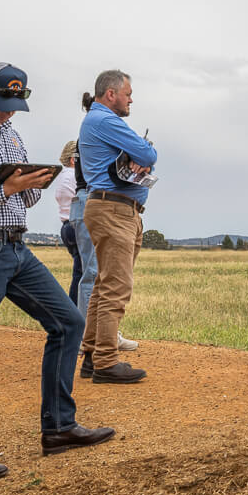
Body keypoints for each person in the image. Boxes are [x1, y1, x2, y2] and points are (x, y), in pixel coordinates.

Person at [0, 63, 114, 482]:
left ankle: (60, 427)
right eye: (3, 102)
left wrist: (33, 184)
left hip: (14, 246)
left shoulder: (11, 134)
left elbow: (24, 200)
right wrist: (6, 189)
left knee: (68, 322)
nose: (9, 112)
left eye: (16, 104)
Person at [78, 71, 157, 384]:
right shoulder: (105, 120)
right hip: (114, 210)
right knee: (115, 287)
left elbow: (144, 154)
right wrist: (143, 155)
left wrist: (142, 155)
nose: (131, 99)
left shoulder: (96, 122)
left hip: (113, 208)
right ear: (110, 94)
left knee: (103, 285)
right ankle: (106, 362)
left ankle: (91, 354)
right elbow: (149, 152)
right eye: (128, 93)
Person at [53, 139, 83, 303]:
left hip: (66, 227)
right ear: (73, 159)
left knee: (79, 272)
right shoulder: (74, 176)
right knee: (83, 275)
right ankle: (77, 317)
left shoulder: (62, 176)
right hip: (78, 226)